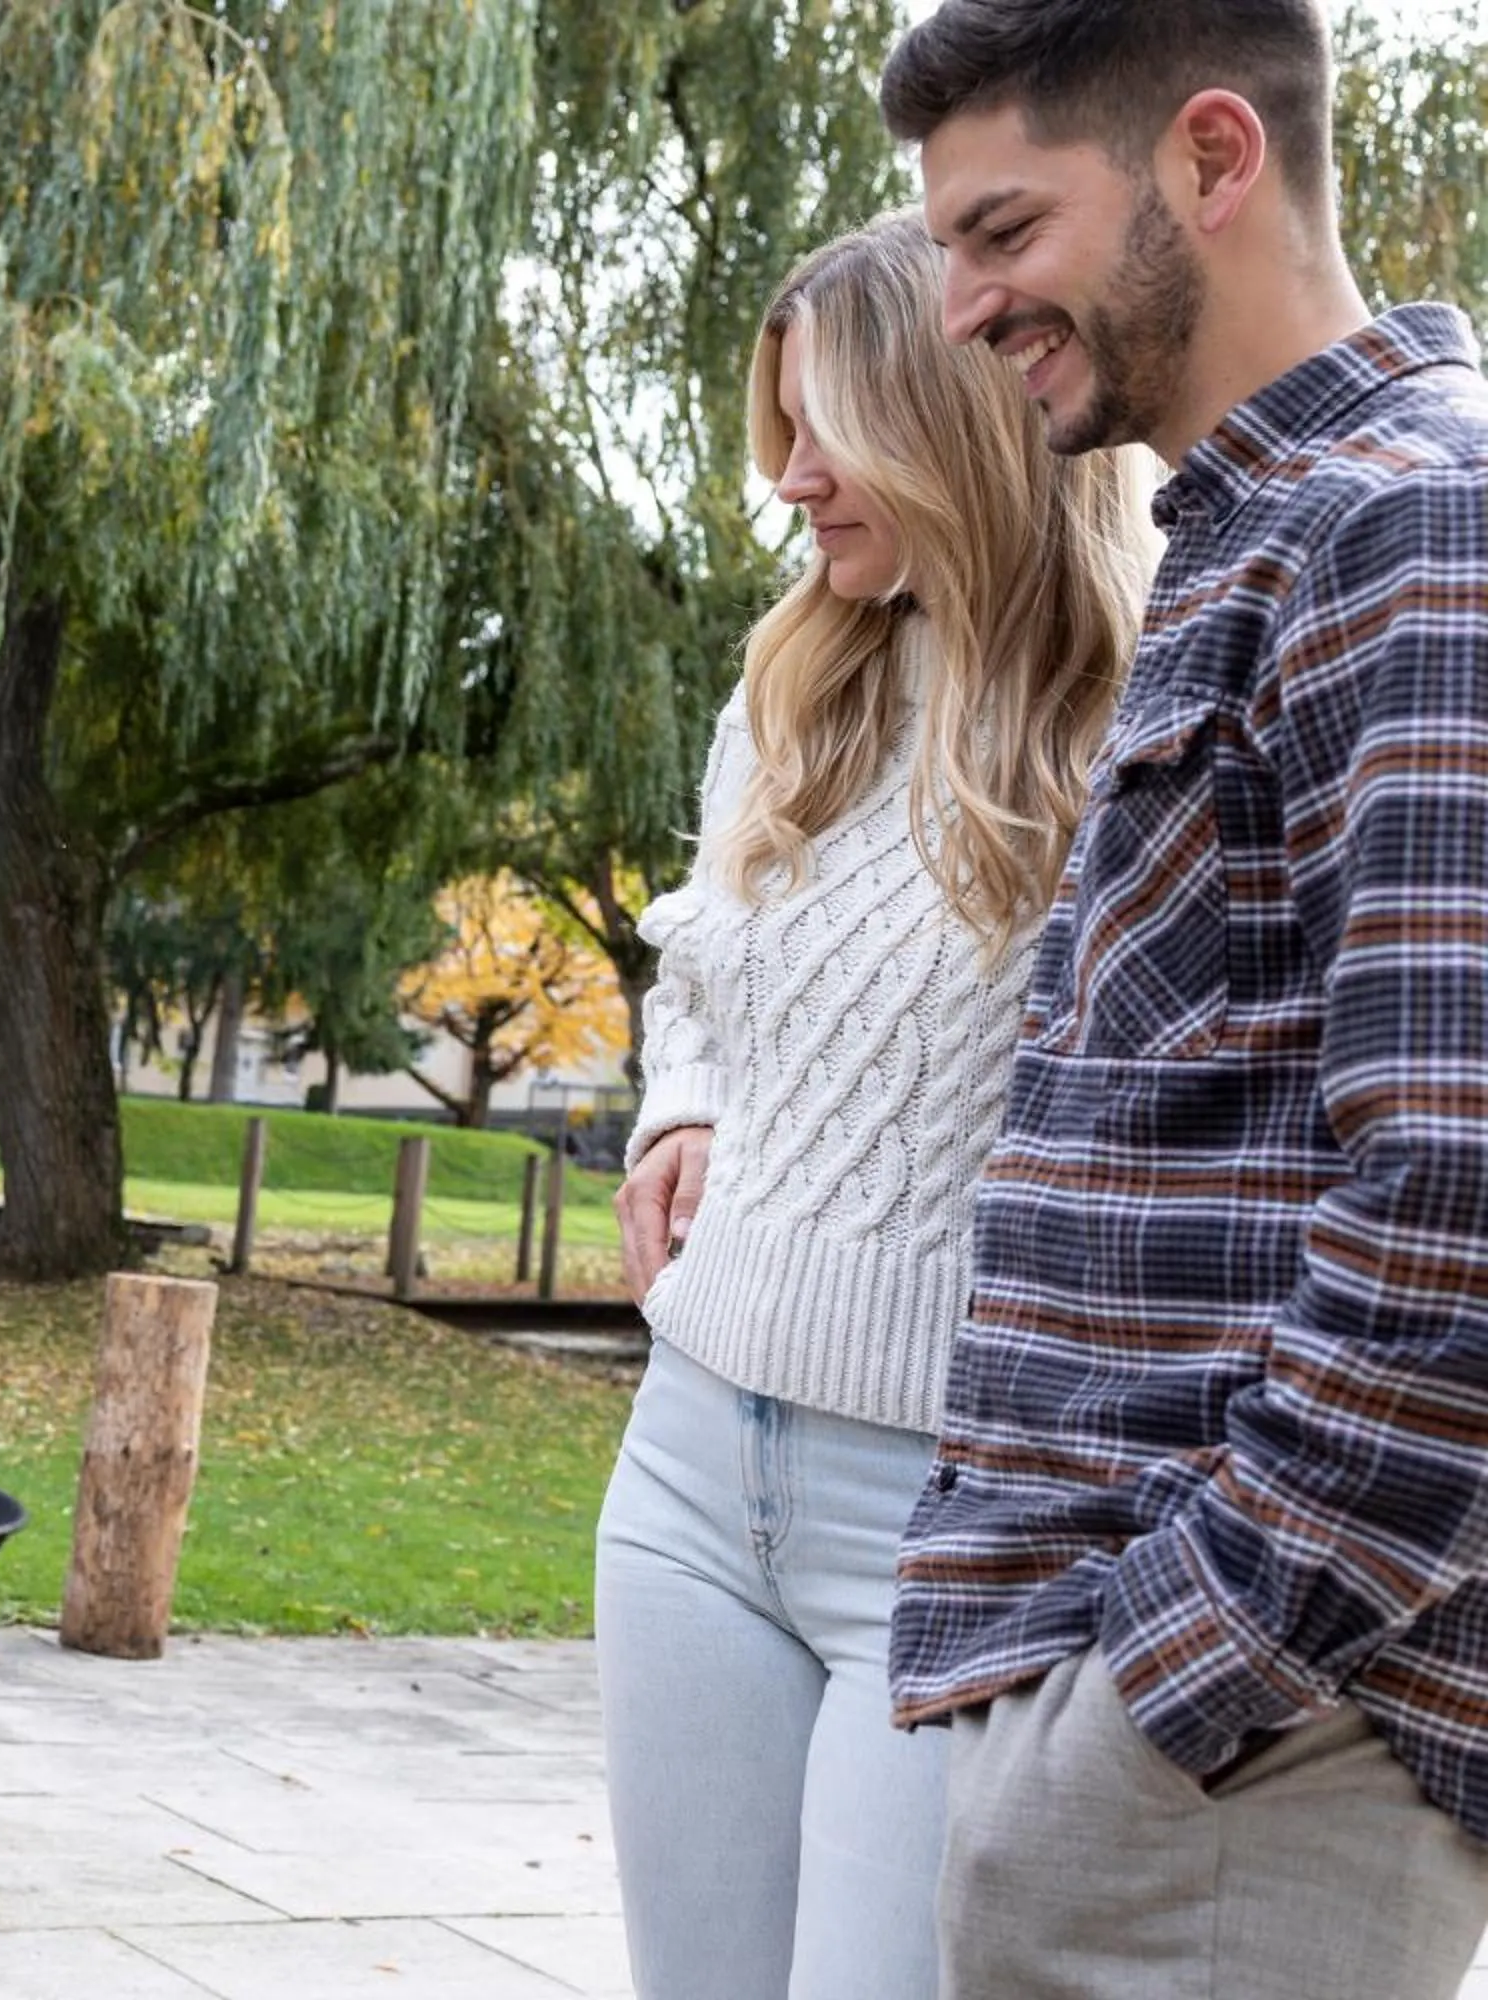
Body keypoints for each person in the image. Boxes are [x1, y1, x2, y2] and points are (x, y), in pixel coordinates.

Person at [877, 5, 1488, 1994]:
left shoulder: (1413, 528)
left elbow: (1460, 1196)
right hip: (1173, 1749)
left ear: (1211, 162)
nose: (960, 309)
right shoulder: (1260, 534)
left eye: (1000, 230)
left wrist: (1176, 1682)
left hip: (1246, 1770)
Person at [596, 209, 1147, 2000]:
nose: (794, 482)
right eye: (783, 433)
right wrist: (680, 1102)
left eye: (829, 429)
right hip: (689, 1464)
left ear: (961, 417)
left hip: (950, 1509)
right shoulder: (797, 681)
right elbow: (704, 959)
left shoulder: (1134, 724)